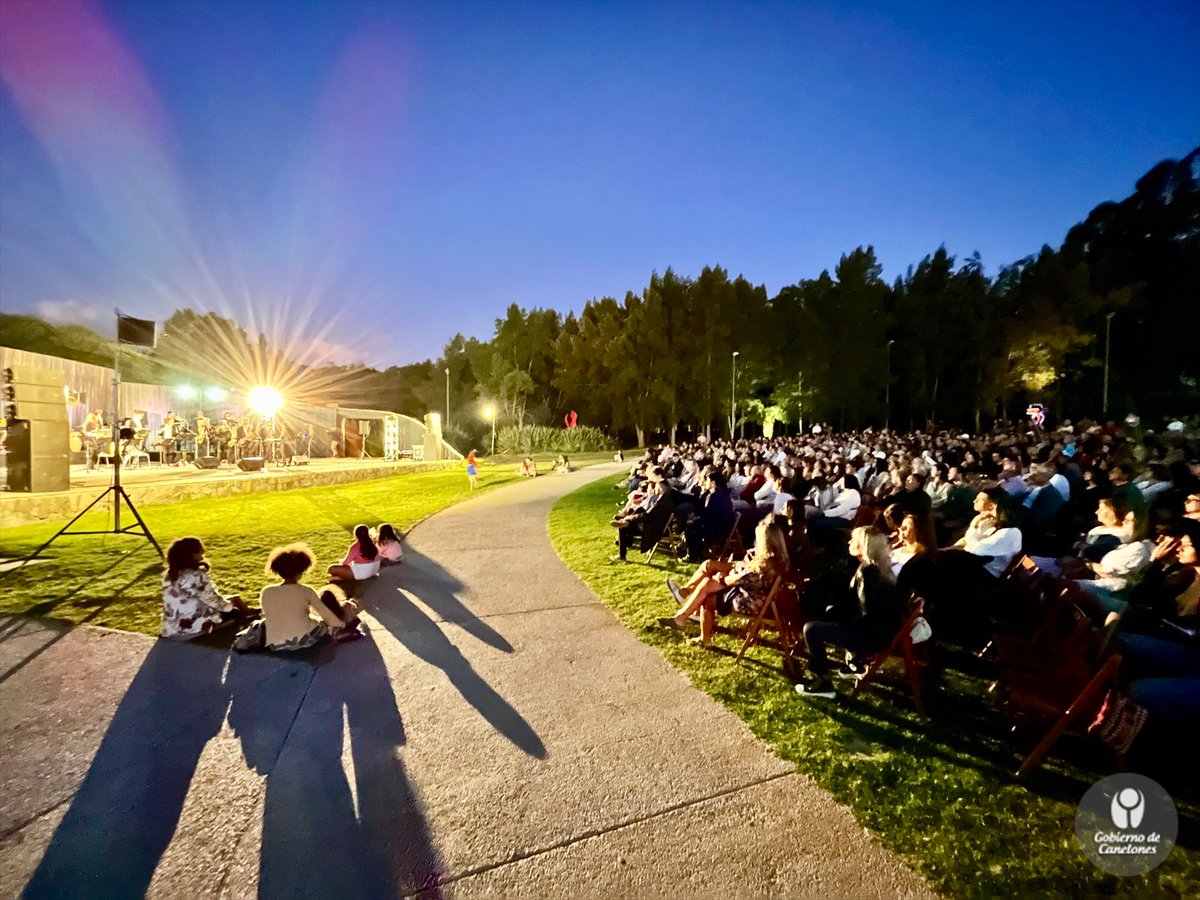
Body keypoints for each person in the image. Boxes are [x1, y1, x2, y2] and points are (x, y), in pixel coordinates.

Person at [795, 526, 905, 698]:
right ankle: (852, 661)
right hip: (883, 633)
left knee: (811, 629)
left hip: (871, 638)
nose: (849, 542)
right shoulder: (881, 568)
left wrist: (840, 620)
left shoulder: (868, 572)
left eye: (853, 540)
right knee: (828, 611)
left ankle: (823, 682)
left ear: (863, 546)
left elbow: (866, 615)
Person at [660, 518, 789, 649]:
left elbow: (738, 580)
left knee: (708, 595)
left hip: (752, 602)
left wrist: (724, 577)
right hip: (762, 599)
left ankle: (698, 633)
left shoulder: (763, 564)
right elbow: (746, 578)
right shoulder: (780, 559)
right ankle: (683, 617)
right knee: (708, 582)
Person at [250, 544, 361, 652]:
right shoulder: (305, 590)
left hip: (275, 645)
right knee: (326, 623)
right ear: (301, 571)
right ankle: (338, 633)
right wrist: (342, 625)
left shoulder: (266, 591)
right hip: (303, 641)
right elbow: (326, 614)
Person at [161, 537, 257, 640]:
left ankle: (248, 612)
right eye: (200, 549)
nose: (203, 551)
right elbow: (214, 601)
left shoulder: (171, 575)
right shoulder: (196, 575)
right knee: (234, 608)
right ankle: (250, 617)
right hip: (191, 625)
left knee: (234, 599)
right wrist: (231, 605)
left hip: (171, 625)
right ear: (193, 554)